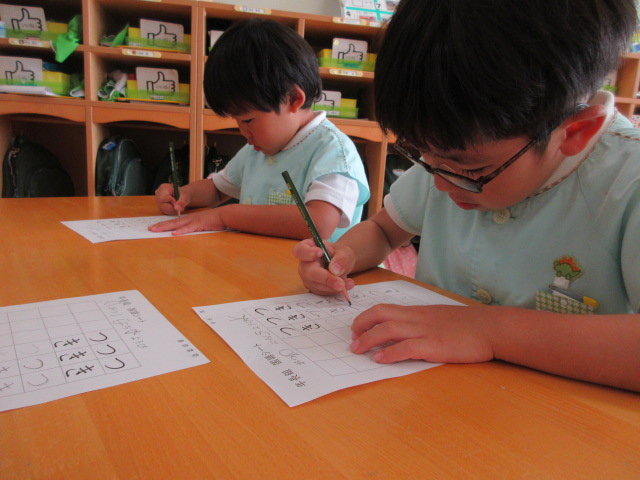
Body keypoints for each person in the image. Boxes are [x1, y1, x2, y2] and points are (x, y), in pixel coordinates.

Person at [293, 0, 640, 392]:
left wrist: (489, 330)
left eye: (472, 170)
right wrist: (344, 256)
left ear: (574, 133)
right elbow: (384, 230)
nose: (441, 184)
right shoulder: (452, 155)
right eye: (422, 154)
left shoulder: (628, 179)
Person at [150, 18, 369, 241]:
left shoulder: (334, 152)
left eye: (247, 120)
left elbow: (318, 223)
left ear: (293, 99)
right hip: (257, 259)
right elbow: (217, 189)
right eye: (236, 121)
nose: (243, 132)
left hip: (310, 265)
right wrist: (185, 194)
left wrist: (225, 216)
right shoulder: (256, 150)